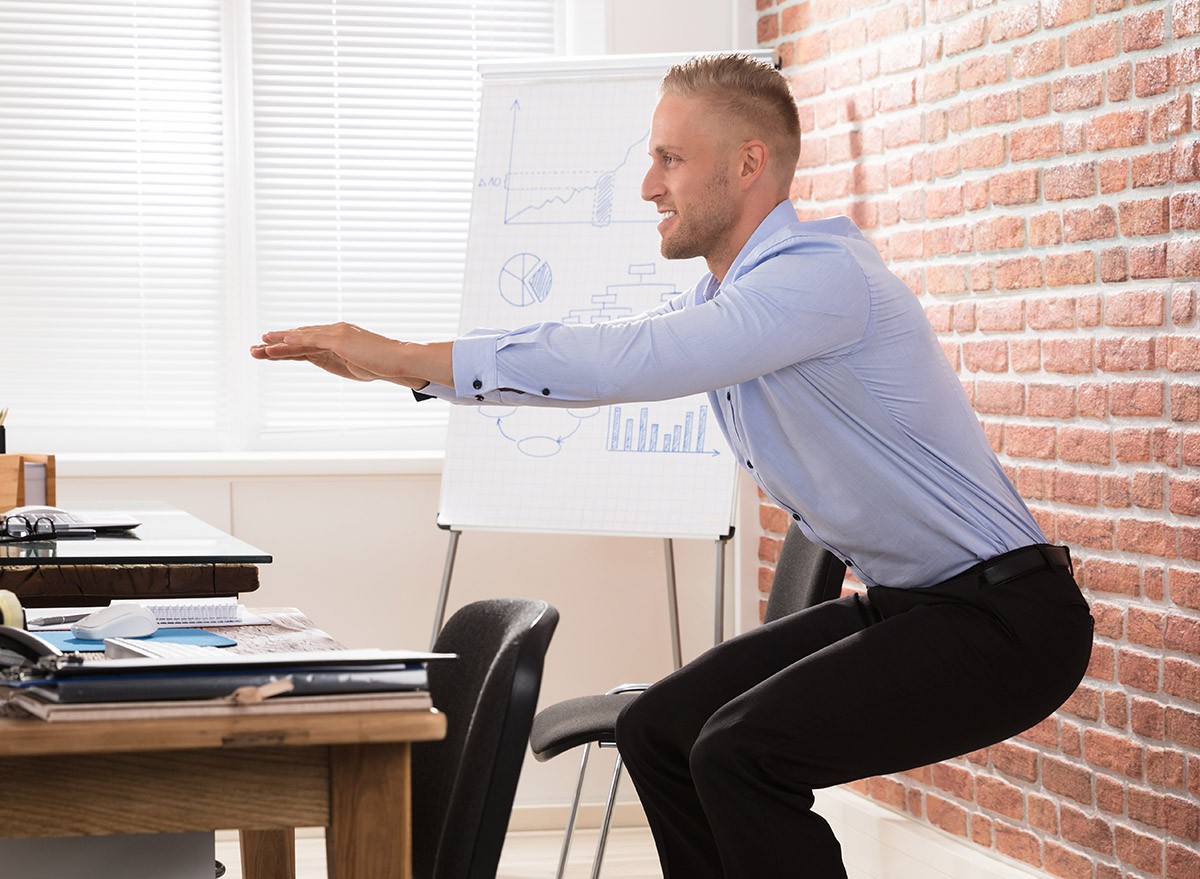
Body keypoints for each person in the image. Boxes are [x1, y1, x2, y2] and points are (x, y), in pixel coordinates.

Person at [251, 53, 1094, 879]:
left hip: (1010, 620)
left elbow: (623, 360)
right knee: (662, 729)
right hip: (913, 606)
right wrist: (408, 369)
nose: (649, 185)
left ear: (749, 163)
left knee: (739, 752)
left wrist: (400, 355)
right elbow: (593, 366)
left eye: (670, 159)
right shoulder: (726, 301)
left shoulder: (820, 280)